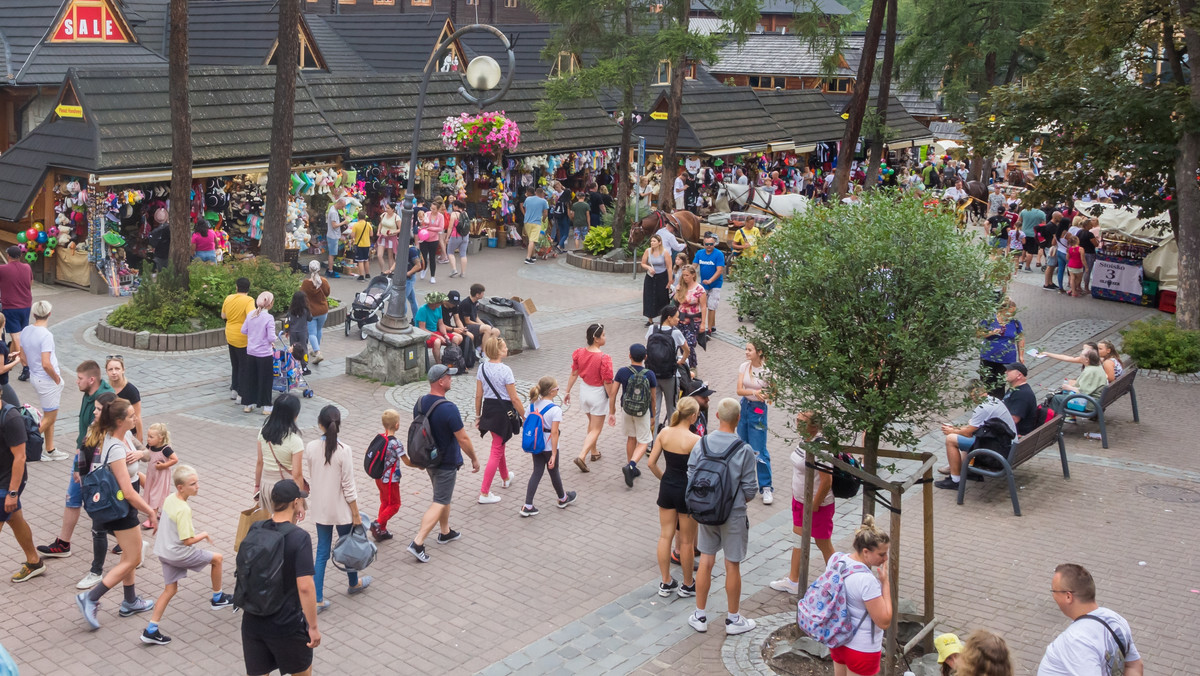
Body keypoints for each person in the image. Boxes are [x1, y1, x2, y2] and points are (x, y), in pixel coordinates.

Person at [75, 399, 159, 631]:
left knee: (129, 554)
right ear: (120, 421)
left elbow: (143, 460)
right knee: (133, 557)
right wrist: (150, 510)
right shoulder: (115, 447)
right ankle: (90, 598)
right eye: (131, 416)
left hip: (122, 506)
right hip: (121, 508)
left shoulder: (123, 438)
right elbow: (128, 491)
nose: (136, 418)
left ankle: (130, 601)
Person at [687, 398, 760, 636]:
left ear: (716, 417)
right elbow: (750, 489)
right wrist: (735, 502)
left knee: (707, 560)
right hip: (733, 513)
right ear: (738, 419)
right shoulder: (744, 450)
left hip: (707, 511)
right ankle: (733, 619)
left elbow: (691, 474)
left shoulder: (703, 443)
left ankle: (699, 615)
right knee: (732, 564)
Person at [141, 465, 234, 645]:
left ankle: (151, 629)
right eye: (193, 484)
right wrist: (205, 534)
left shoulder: (169, 499)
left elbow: (164, 519)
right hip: (178, 553)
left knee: (170, 590)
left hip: (163, 551)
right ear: (181, 487)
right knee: (217, 558)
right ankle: (218, 598)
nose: (197, 486)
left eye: (197, 482)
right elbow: (188, 541)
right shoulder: (184, 509)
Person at [238, 479, 320, 676]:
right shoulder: (299, 538)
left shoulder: (256, 528)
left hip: (252, 620)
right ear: (295, 503)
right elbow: (305, 587)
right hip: (285, 623)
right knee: (302, 671)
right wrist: (313, 627)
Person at [36, 361, 114, 568]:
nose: (76, 381)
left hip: (91, 459)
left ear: (91, 380)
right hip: (83, 455)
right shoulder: (89, 393)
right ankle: (63, 543)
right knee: (74, 499)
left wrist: (82, 466)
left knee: (97, 506)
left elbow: (100, 433)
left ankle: (131, 541)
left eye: (79, 378)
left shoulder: (104, 398)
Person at [405, 364, 480, 564]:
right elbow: (463, 439)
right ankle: (418, 542)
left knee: (442, 496)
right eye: (449, 376)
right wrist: (474, 458)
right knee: (439, 500)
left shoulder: (420, 403)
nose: (451, 379)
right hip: (446, 462)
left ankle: (445, 532)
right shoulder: (449, 408)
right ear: (440, 381)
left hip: (429, 459)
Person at [303, 406, 370, 611]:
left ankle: (318, 599)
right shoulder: (344, 450)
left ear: (319, 424)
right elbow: (348, 486)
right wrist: (356, 514)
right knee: (348, 546)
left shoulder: (311, 447)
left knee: (322, 552)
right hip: (341, 509)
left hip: (321, 508)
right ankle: (353, 582)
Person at [769, 411, 834, 595]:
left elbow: (827, 481)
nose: (797, 424)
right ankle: (793, 580)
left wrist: (814, 505)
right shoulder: (804, 440)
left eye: (802, 422)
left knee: (823, 543)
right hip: (800, 501)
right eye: (797, 420)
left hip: (816, 506)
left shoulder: (820, 447)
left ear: (814, 426)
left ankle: (840, 579)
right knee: (797, 539)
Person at [1038, 563, 1142, 675]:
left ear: (1068, 596)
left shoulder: (1076, 640)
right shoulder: (1114, 619)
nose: (1053, 596)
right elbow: (1134, 666)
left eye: (1054, 591)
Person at [647, 396, 699, 598]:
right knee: (686, 541)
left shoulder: (664, 432)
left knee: (664, 536)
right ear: (693, 416)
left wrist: (664, 479)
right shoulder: (695, 440)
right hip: (686, 491)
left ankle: (666, 581)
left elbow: (651, 463)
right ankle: (687, 584)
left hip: (667, 487)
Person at [829, 517, 893, 676]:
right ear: (866, 552)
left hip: (838, 640)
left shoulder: (836, 559)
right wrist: (885, 584)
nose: (886, 559)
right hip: (862, 648)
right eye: (882, 554)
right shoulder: (867, 581)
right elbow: (884, 621)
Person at [934, 380, 1017, 490]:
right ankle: (968, 471)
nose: (972, 398)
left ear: (973, 394)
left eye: (971, 396)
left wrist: (952, 431)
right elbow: (972, 428)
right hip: (1009, 445)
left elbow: (968, 432)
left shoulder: (982, 408)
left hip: (1000, 451)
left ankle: (955, 481)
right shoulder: (994, 400)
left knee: (951, 439)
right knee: (963, 437)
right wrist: (956, 429)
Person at [1, 381, 44, 583]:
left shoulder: (10, 418)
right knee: (15, 519)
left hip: (7, 482)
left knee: (8, 515)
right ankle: (34, 561)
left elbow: (20, 457)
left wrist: (12, 492)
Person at [520, 377, 577, 517]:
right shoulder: (555, 409)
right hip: (548, 445)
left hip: (536, 444)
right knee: (554, 471)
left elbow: (526, 422)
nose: (558, 390)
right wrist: (553, 454)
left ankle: (528, 505)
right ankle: (562, 498)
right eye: (557, 388)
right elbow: (554, 432)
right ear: (552, 392)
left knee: (537, 472)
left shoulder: (532, 405)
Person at [474, 335, 520, 504]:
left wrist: (478, 415)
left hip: (489, 409)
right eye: (504, 347)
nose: (507, 349)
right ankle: (484, 492)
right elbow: (514, 398)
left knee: (499, 444)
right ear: (498, 351)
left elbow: (479, 395)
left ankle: (506, 476)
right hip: (502, 412)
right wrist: (524, 415)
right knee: (496, 449)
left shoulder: (482, 368)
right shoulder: (505, 370)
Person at [564, 324, 616, 473]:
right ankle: (582, 456)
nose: (605, 337)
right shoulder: (604, 358)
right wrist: (612, 399)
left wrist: (567, 391)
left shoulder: (579, 353)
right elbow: (607, 382)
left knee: (591, 424)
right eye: (603, 335)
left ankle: (594, 452)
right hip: (598, 393)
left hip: (584, 392)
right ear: (596, 339)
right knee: (597, 429)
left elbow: (574, 374)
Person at [19, 300, 67, 459]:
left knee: (48, 413)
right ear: (49, 314)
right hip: (47, 380)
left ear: (34, 314)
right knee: (50, 417)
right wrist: (57, 379)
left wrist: (31, 366)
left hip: (35, 376)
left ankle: (50, 448)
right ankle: (25, 443)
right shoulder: (46, 335)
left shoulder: (26, 330)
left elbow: (22, 356)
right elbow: (46, 363)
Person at [254, 393, 307, 517]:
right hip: (286, 489)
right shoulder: (295, 440)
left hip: (266, 486)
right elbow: (297, 475)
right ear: (294, 415)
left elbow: (259, 462)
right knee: (286, 526)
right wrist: (300, 502)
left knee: (269, 523)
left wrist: (257, 486)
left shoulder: (263, 432)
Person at [615, 344, 657, 487]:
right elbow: (652, 397)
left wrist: (611, 411)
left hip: (626, 409)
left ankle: (631, 467)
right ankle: (631, 466)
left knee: (631, 437)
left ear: (629, 356)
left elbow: (613, 392)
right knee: (644, 441)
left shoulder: (622, 372)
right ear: (645, 357)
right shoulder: (649, 374)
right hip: (642, 411)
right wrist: (653, 414)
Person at [735, 341, 772, 503]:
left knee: (758, 448)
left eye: (750, 350)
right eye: (746, 349)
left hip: (758, 409)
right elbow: (739, 390)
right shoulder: (744, 367)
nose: (746, 352)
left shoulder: (767, 371)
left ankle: (766, 487)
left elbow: (772, 393)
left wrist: (766, 395)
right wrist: (756, 392)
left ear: (759, 352)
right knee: (742, 444)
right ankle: (744, 482)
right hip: (745, 406)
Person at [646, 306, 690, 428]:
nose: (678, 320)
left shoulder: (652, 329)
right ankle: (671, 440)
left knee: (655, 408)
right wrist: (681, 361)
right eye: (676, 317)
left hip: (653, 374)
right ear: (669, 318)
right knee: (672, 408)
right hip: (670, 375)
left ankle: (653, 442)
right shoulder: (675, 332)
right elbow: (687, 350)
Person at [369, 410, 405, 541]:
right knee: (395, 505)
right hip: (390, 480)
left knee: (385, 502)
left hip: (379, 477)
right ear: (397, 425)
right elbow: (406, 460)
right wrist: (419, 465)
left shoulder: (380, 437)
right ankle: (377, 524)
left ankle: (381, 531)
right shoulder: (395, 443)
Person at [0, 246, 34, 383]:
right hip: (26, 305)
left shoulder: (3, 269)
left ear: (8, 256)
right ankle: (10, 359)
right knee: (19, 336)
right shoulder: (27, 268)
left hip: (11, 307)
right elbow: (30, 283)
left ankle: (26, 367)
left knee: (17, 338)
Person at [978, 299, 1024, 399]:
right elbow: (978, 334)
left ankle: (998, 405)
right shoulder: (990, 320)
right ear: (1002, 310)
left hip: (1007, 359)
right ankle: (985, 404)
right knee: (986, 382)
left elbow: (1020, 338)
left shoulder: (1015, 323)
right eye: (1009, 313)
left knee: (1000, 385)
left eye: (1013, 313)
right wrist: (991, 333)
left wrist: (1021, 355)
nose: (1011, 316)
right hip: (988, 357)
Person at [239, 292, 276, 415]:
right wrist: (273, 340)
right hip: (264, 354)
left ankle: (248, 404)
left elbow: (243, 330)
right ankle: (266, 407)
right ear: (270, 304)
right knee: (265, 380)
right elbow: (271, 337)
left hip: (250, 352)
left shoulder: (250, 315)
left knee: (250, 378)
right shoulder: (269, 318)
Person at [221, 277, 256, 400]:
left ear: (236, 287)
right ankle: (241, 393)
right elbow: (251, 317)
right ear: (248, 288)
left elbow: (223, 315)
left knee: (235, 363)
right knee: (243, 365)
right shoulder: (249, 300)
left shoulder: (229, 298)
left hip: (230, 334)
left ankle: (234, 389)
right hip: (243, 337)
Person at [1047, 348, 1107, 415]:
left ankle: (1055, 421)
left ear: (1087, 360)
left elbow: (1083, 392)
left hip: (1090, 404)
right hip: (1097, 400)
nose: (1080, 356)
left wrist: (1069, 387)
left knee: (1055, 398)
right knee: (1062, 395)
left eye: (1082, 355)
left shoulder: (1089, 372)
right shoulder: (1098, 367)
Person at [141, 423, 178, 529]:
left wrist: (164, 465)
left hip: (161, 477)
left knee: (155, 495)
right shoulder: (150, 446)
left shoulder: (165, 449)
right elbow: (146, 453)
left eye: (151, 437)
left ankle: (152, 520)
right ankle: (163, 512)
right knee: (150, 492)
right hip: (151, 475)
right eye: (148, 436)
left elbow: (175, 459)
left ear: (160, 438)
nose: (148, 439)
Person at [415, 292, 462, 365]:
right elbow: (422, 329)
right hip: (425, 334)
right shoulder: (423, 310)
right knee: (437, 341)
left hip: (435, 332)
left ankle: (450, 359)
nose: (442, 303)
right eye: (440, 302)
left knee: (456, 338)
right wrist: (438, 336)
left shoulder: (439, 308)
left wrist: (445, 335)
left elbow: (441, 324)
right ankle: (438, 363)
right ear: (434, 303)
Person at [674, 265, 707, 368]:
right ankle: (685, 364)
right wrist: (677, 291)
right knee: (681, 344)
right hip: (681, 319)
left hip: (693, 320)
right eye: (683, 275)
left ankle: (692, 365)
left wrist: (703, 323)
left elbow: (704, 306)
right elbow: (676, 301)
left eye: (687, 275)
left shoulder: (699, 289)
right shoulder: (681, 286)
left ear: (693, 275)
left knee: (690, 344)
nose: (685, 277)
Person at [692, 235, 725, 334]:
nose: (709, 246)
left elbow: (719, 271)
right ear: (703, 244)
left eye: (711, 244)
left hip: (716, 284)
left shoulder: (719, 254)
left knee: (711, 306)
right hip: (703, 284)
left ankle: (709, 329)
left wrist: (710, 280)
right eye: (707, 244)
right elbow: (694, 266)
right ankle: (708, 325)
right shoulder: (699, 253)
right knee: (701, 305)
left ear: (714, 244)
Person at [106, 356, 143, 444]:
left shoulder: (131, 390)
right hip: (111, 434)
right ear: (106, 372)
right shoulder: (105, 389)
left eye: (117, 369)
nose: (114, 372)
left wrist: (140, 439)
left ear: (123, 370)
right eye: (110, 369)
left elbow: (137, 417)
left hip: (129, 435)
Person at [301, 261, 331, 365]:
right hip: (323, 310)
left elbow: (302, 296)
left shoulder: (306, 283)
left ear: (309, 269)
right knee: (319, 330)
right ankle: (315, 349)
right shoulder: (324, 281)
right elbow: (327, 293)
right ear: (319, 269)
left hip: (311, 311)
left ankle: (318, 352)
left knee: (311, 333)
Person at [641, 234, 673, 326]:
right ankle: (650, 319)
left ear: (659, 243)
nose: (652, 243)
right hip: (650, 277)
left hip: (662, 276)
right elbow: (643, 263)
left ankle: (664, 318)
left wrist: (670, 281)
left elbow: (669, 267)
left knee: (662, 297)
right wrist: (648, 268)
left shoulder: (665, 252)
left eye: (654, 241)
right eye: (651, 241)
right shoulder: (648, 251)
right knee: (649, 296)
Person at [455, 285, 500, 350]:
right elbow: (467, 321)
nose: (483, 294)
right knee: (487, 329)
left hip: (474, 325)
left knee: (496, 331)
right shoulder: (466, 303)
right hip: (466, 326)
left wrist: (484, 325)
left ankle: (480, 348)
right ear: (477, 295)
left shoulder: (476, 303)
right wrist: (483, 326)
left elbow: (476, 317)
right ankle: (484, 354)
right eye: (482, 293)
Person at [1000, 363, 1039, 436]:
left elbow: (1013, 420)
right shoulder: (1015, 388)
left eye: (1009, 370)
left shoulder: (1023, 394)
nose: (1006, 372)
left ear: (1019, 375)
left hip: (1014, 436)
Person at [418, 198, 446, 283]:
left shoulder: (440, 216)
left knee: (432, 258)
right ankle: (424, 268)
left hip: (434, 240)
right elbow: (423, 223)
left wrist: (431, 228)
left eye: (434, 209)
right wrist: (421, 223)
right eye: (431, 208)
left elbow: (440, 228)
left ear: (438, 209)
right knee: (423, 256)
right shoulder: (427, 214)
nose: (432, 210)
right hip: (424, 238)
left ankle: (432, 276)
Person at [522, 187, 550, 265]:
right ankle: (528, 258)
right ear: (541, 193)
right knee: (532, 241)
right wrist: (544, 220)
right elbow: (545, 213)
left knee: (531, 239)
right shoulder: (544, 201)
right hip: (536, 222)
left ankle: (533, 256)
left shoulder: (527, 199)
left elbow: (526, 209)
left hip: (527, 222)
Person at [445, 200, 470, 278]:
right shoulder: (465, 213)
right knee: (463, 254)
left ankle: (454, 270)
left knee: (450, 252)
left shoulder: (454, 214)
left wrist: (447, 237)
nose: (453, 207)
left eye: (453, 205)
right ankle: (463, 273)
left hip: (455, 236)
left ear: (456, 206)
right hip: (465, 236)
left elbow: (450, 227)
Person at [376, 201, 400, 276]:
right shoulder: (383, 215)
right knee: (379, 255)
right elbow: (380, 224)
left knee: (390, 256)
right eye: (386, 207)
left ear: (393, 209)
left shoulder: (396, 217)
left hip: (391, 238)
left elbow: (400, 229)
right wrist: (378, 231)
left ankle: (390, 271)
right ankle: (382, 271)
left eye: (388, 208)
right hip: (383, 236)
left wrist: (393, 233)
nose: (386, 209)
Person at [325, 196, 347, 278]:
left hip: (334, 235)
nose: (343, 208)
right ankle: (330, 271)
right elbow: (334, 225)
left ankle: (330, 269)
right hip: (333, 236)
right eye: (343, 206)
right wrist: (343, 222)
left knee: (332, 253)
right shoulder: (334, 212)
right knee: (332, 254)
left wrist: (344, 212)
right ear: (339, 204)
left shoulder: (334, 209)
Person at [0, 315, 19, 407]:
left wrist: (7, 358)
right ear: (4, 324)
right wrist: (16, 361)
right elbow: (1, 369)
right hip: (2, 382)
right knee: (16, 407)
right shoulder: (1, 345)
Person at [1077, 218, 1101, 293]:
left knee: (1081, 270)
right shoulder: (1090, 234)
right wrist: (1097, 241)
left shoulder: (1079, 232)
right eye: (1090, 224)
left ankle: (1078, 286)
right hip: (1089, 253)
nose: (1092, 225)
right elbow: (1096, 244)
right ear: (1087, 225)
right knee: (1087, 270)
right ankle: (1086, 287)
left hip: (1081, 252)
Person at [1018, 204, 1043, 272]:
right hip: (1033, 235)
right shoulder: (1041, 213)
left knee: (1023, 249)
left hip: (1023, 233)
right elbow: (1043, 225)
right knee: (1030, 252)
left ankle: (1021, 262)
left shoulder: (1024, 211)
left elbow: (1019, 222)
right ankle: (1027, 267)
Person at [349, 216, 373, 281]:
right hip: (367, 244)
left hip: (359, 244)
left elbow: (353, 235)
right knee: (366, 259)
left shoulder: (356, 225)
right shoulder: (368, 224)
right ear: (365, 217)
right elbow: (371, 234)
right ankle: (367, 274)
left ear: (358, 217)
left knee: (360, 261)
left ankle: (361, 275)